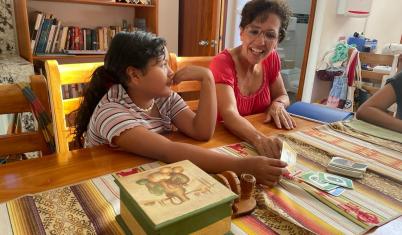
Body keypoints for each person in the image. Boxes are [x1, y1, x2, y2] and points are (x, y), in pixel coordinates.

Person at [73, 31, 288, 186]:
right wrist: (243, 166)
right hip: (105, 184)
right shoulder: (112, 111)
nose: (170, 71)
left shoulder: (161, 97)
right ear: (134, 75)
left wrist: (208, 79)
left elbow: (202, 132)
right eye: (162, 64)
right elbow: (170, 150)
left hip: (144, 174)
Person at [210, 0, 296, 158]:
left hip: (257, 138)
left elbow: (282, 96)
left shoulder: (272, 59)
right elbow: (229, 113)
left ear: (277, 40)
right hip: (221, 144)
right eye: (254, 31)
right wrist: (259, 140)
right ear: (242, 32)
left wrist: (278, 104)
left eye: (270, 35)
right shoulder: (222, 62)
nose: (260, 42)